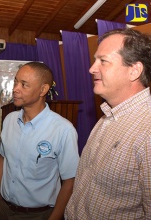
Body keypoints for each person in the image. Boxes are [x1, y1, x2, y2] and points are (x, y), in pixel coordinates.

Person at [65, 28, 151, 219]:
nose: (92, 68)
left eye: (103, 61)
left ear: (134, 71)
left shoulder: (147, 129)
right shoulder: (107, 116)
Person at [0, 61, 79, 220]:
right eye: (16, 81)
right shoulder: (9, 120)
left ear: (43, 89)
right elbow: (2, 159)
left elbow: (70, 182)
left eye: (24, 85)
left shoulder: (63, 130)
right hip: (1, 209)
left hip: (37, 215)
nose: (15, 88)